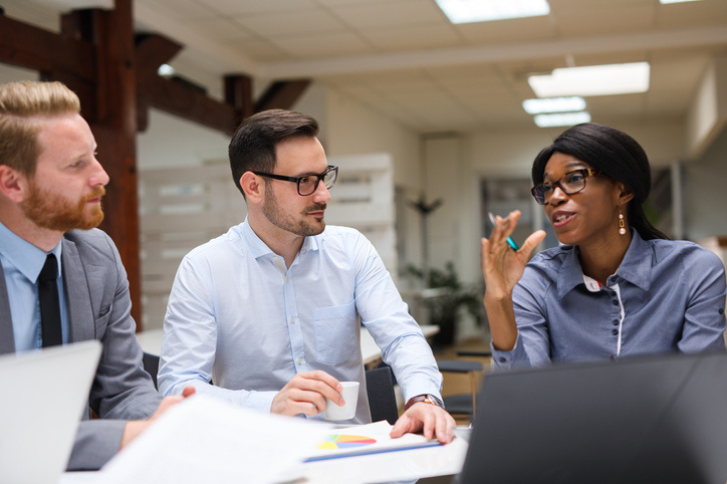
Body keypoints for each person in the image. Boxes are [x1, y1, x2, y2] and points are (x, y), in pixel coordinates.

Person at [158, 109, 456, 443]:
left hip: (352, 458)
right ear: (253, 186)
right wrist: (270, 403)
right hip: (257, 457)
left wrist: (422, 398)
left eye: (324, 175)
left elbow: (401, 336)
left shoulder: (351, 251)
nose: (323, 195)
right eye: (304, 181)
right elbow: (178, 387)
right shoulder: (205, 269)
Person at [0, 80, 194, 470]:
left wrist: (160, 418)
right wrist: (122, 437)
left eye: (95, 156)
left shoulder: (97, 256)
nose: (102, 176)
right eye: (77, 164)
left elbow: (123, 386)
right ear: (13, 183)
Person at [482, 122, 726, 369]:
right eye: (547, 187)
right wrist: (499, 301)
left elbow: (700, 382)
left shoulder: (692, 270)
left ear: (623, 190)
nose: (554, 197)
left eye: (574, 178)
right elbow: (525, 393)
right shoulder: (537, 280)